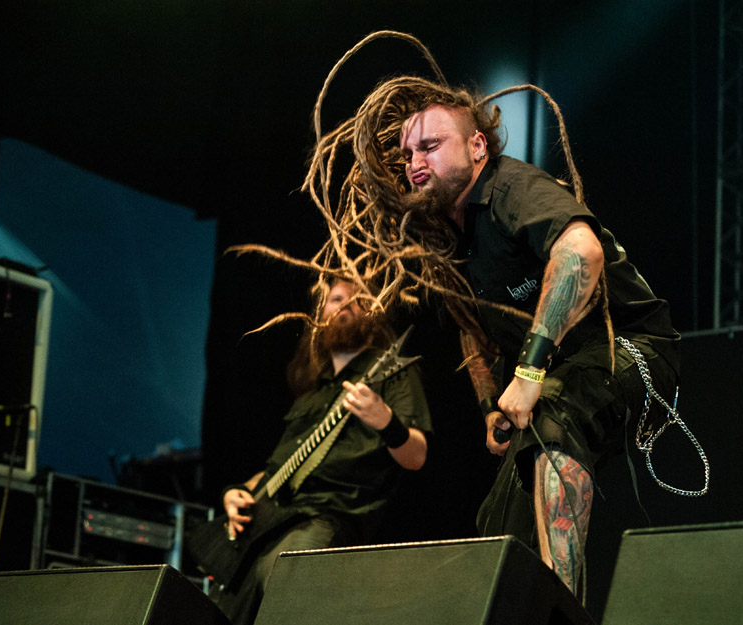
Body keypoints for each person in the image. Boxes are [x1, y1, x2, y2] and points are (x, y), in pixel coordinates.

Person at [294, 47, 693, 599]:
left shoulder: (509, 188)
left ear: (476, 146)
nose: (414, 161)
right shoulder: (445, 239)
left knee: (555, 413)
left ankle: (561, 611)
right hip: (560, 371)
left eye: (430, 145)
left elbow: (582, 251)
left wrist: (527, 375)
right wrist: (489, 406)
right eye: (408, 151)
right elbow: (472, 326)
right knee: (498, 522)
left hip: (631, 350)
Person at [210, 279, 431, 625]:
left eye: (357, 300)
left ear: (372, 313)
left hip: (325, 517)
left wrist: (385, 421)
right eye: (336, 299)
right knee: (221, 611)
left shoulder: (392, 371)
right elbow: (276, 469)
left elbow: (416, 456)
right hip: (268, 521)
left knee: (285, 584)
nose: (345, 306)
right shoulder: (311, 388)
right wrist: (235, 494)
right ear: (319, 314)